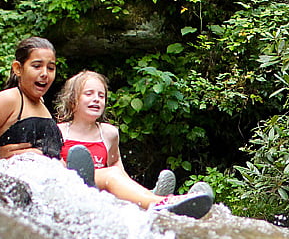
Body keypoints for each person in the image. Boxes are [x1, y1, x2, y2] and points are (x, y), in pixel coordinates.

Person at [55, 70, 213, 213]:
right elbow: (52, 168)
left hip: (101, 190)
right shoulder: (58, 131)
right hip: (73, 188)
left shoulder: (109, 133)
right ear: (72, 100)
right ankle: (161, 201)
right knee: (110, 175)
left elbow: (117, 167)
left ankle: (151, 196)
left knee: (113, 175)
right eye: (89, 94)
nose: (96, 99)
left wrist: (135, 190)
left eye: (101, 96)